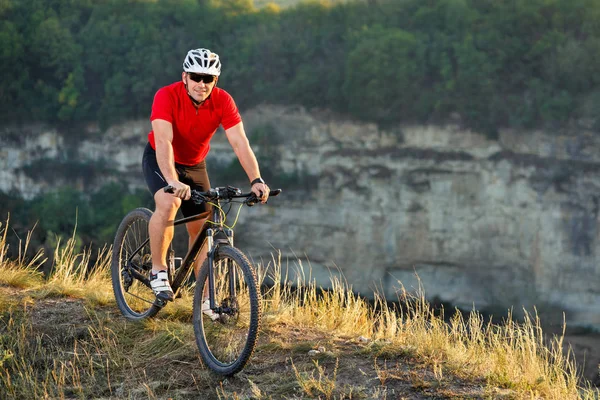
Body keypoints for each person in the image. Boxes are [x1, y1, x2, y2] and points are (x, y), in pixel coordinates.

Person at [142, 48, 270, 307]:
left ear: (216, 81)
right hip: (161, 158)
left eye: (208, 78)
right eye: (196, 77)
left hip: (195, 164)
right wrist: (172, 180)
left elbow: (240, 143)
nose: (202, 84)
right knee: (169, 204)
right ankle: (158, 270)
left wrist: (256, 179)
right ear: (185, 77)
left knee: (203, 226)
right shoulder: (166, 96)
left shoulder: (223, 101)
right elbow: (164, 141)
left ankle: (206, 301)